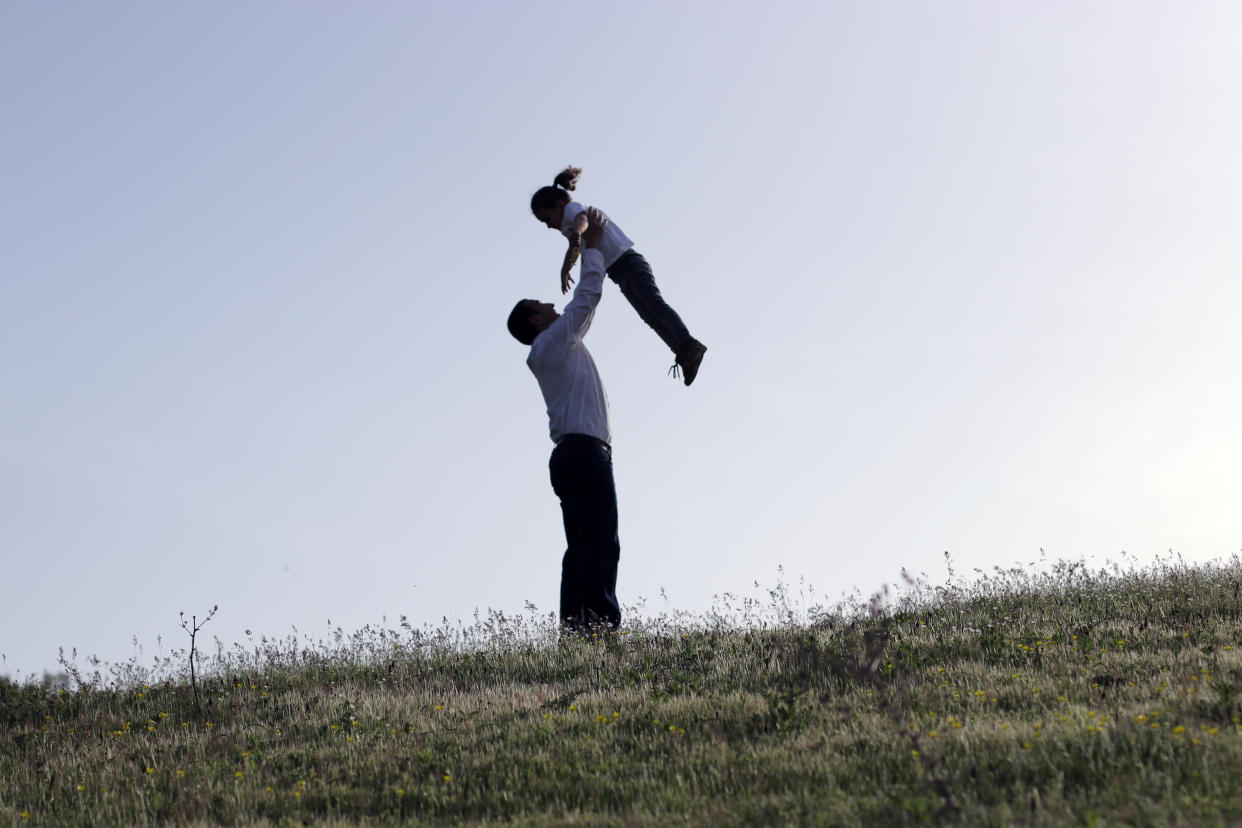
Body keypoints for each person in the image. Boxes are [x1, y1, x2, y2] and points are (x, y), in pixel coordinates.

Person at [507, 207, 621, 632]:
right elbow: (587, 297)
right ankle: (601, 630)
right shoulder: (554, 340)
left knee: (580, 547)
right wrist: (593, 247)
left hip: (571, 455)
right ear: (536, 320)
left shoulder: (550, 349)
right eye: (542, 305)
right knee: (601, 542)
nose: (551, 304)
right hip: (585, 453)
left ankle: (576, 630)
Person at [529, 165, 708, 387]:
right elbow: (575, 248)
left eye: (547, 219)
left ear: (558, 205)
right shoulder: (569, 227)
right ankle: (683, 351)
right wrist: (566, 268)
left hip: (628, 262)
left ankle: (688, 343)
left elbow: (583, 221)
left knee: (653, 303)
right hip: (618, 272)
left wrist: (577, 232)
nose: (548, 226)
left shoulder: (573, 211)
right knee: (647, 314)